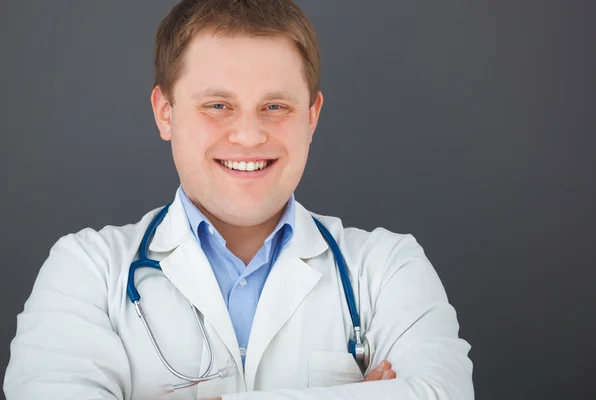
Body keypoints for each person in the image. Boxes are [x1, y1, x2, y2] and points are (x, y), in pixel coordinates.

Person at [3, 1, 474, 399]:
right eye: (217, 106)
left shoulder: (388, 267)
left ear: (312, 117)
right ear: (165, 113)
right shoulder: (85, 271)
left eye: (275, 107)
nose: (249, 135)